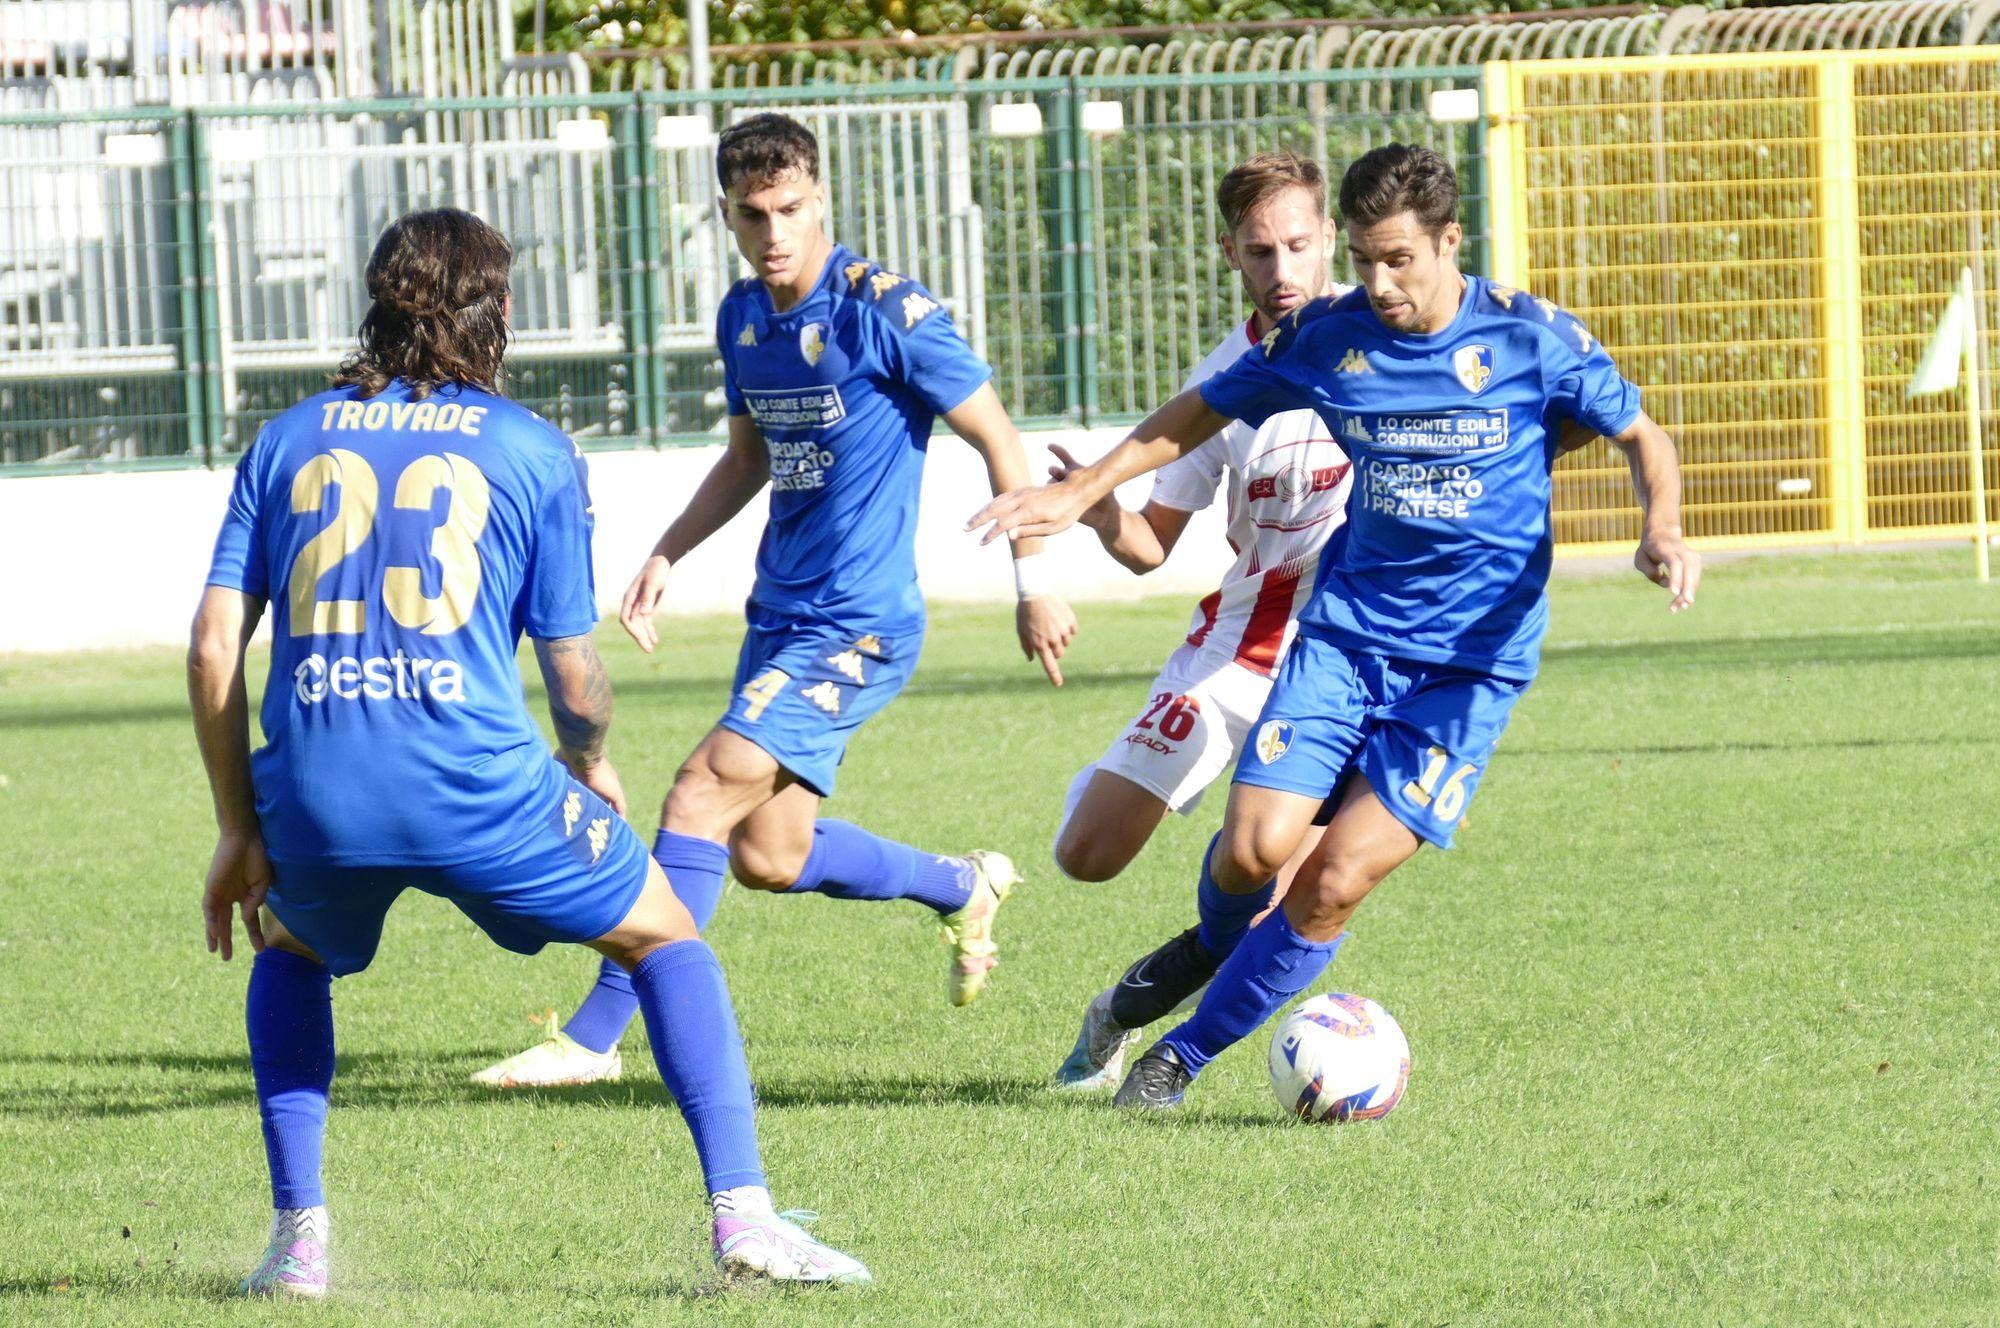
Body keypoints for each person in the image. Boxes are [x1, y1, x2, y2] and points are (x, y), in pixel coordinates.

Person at [191, 208, 870, 1296]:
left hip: (316, 793)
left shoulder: (286, 437)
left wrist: (238, 821)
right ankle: (744, 1217)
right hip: (480, 789)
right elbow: (571, 670)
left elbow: (218, 639)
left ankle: (298, 1241)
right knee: (665, 935)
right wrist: (589, 758)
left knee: (291, 950)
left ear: (374, 303)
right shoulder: (530, 447)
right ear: (500, 310)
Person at [970, 143, 1701, 1111]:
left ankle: (1172, 1059)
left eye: (1397, 258)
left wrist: (1659, 526)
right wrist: (1087, 489)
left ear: (1449, 241)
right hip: (1344, 641)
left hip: (1466, 672)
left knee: (1332, 880)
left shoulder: (1532, 336)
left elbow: (1638, 432)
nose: (1378, 281)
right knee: (1249, 851)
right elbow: (1198, 409)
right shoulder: (1328, 336)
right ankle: (1185, 968)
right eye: (1361, 259)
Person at [474, 113, 1077, 1090]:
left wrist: (1033, 584)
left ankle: (590, 1037)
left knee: (698, 790)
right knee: (769, 850)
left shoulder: (889, 312)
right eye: (752, 215)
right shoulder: (742, 320)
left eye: (789, 209)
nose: (773, 233)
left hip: (862, 625)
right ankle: (962, 883)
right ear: (727, 214)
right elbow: (749, 457)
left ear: (820, 199)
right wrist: (669, 548)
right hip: (779, 617)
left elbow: (1002, 443)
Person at [1047, 151, 1354, 1090]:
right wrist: (1102, 511)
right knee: (1087, 856)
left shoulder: (1385, 342)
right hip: (1241, 645)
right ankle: (1131, 786)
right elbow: (1151, 545)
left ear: (1329, 239)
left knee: (1271, 905)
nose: (1283, 268)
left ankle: (1129, 1015)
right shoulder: (1223, 382)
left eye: (1299, 244)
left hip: (1348, 654)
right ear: (1230, 253)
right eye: (1260, 251)